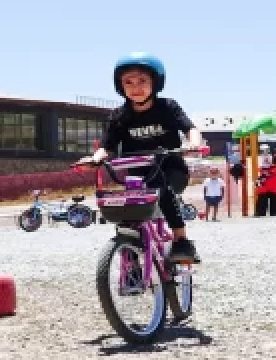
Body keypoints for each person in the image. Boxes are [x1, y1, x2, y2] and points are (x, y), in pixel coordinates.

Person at [76, 52, 204, 262]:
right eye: (128, 82)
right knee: (126, 209)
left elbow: (190, 129)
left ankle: (181, 241)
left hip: (171, 169)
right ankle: (130, 252)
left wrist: (194, 144)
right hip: (139, 175)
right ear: (120, 86)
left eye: (142, 81)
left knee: (164, 191)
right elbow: (107, 146)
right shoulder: (119, 116)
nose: (135, 87)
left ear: (156, 82)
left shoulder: (168, 107)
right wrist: (95, 159)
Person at [254, 148, 276, 216]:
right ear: (272, 154)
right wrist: (266, 170)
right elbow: (261, 169)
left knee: (275, 210)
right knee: (261, 202)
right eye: (275, 153)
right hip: (265, 186)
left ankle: (274, 216)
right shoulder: (268, 162)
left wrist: (270, 170)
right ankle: (259, 214)